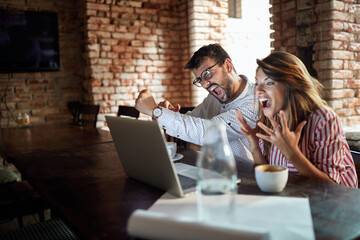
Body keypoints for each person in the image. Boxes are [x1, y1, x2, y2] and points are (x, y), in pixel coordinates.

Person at [236, 51, 358, 188]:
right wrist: (253, 144)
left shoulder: (324, 119)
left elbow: (331, 186)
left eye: (269, 83)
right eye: (257, 83)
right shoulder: (271, 119)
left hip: (336, 203)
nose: (258, 90)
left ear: (291, 85)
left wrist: (291, 152)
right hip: (296, 198)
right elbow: (268, 174)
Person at [135, 43, 258, 164]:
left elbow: (206, 132)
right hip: (217, 169)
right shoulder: (213, 98)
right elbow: (193, 121)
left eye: (207, 74)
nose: (204, 84)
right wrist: (169, 114)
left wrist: (157, 112)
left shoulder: (255, 102)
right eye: (200, 79)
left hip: (248, 176)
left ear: (228, 66)